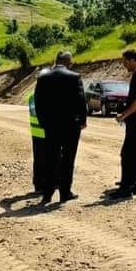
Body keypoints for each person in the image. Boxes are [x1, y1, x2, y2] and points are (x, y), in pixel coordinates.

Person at [34, 51, 88, 206]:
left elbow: (38, 103)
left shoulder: (43, 78)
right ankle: (65, 192)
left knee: (51, 158)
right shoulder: (74, 77)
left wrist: (43, 122)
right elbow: (81, 101)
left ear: (56, 61)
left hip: (50, 126)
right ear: (68, 62)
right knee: (68, 159)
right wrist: (83, 120)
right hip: (71, 125)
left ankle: (47, 193)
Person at [110, 50, 136, 199]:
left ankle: (126, 188)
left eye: (126, 62)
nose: (124, 65)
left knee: (127, 154)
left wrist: (124, 115)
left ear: (134, 60)